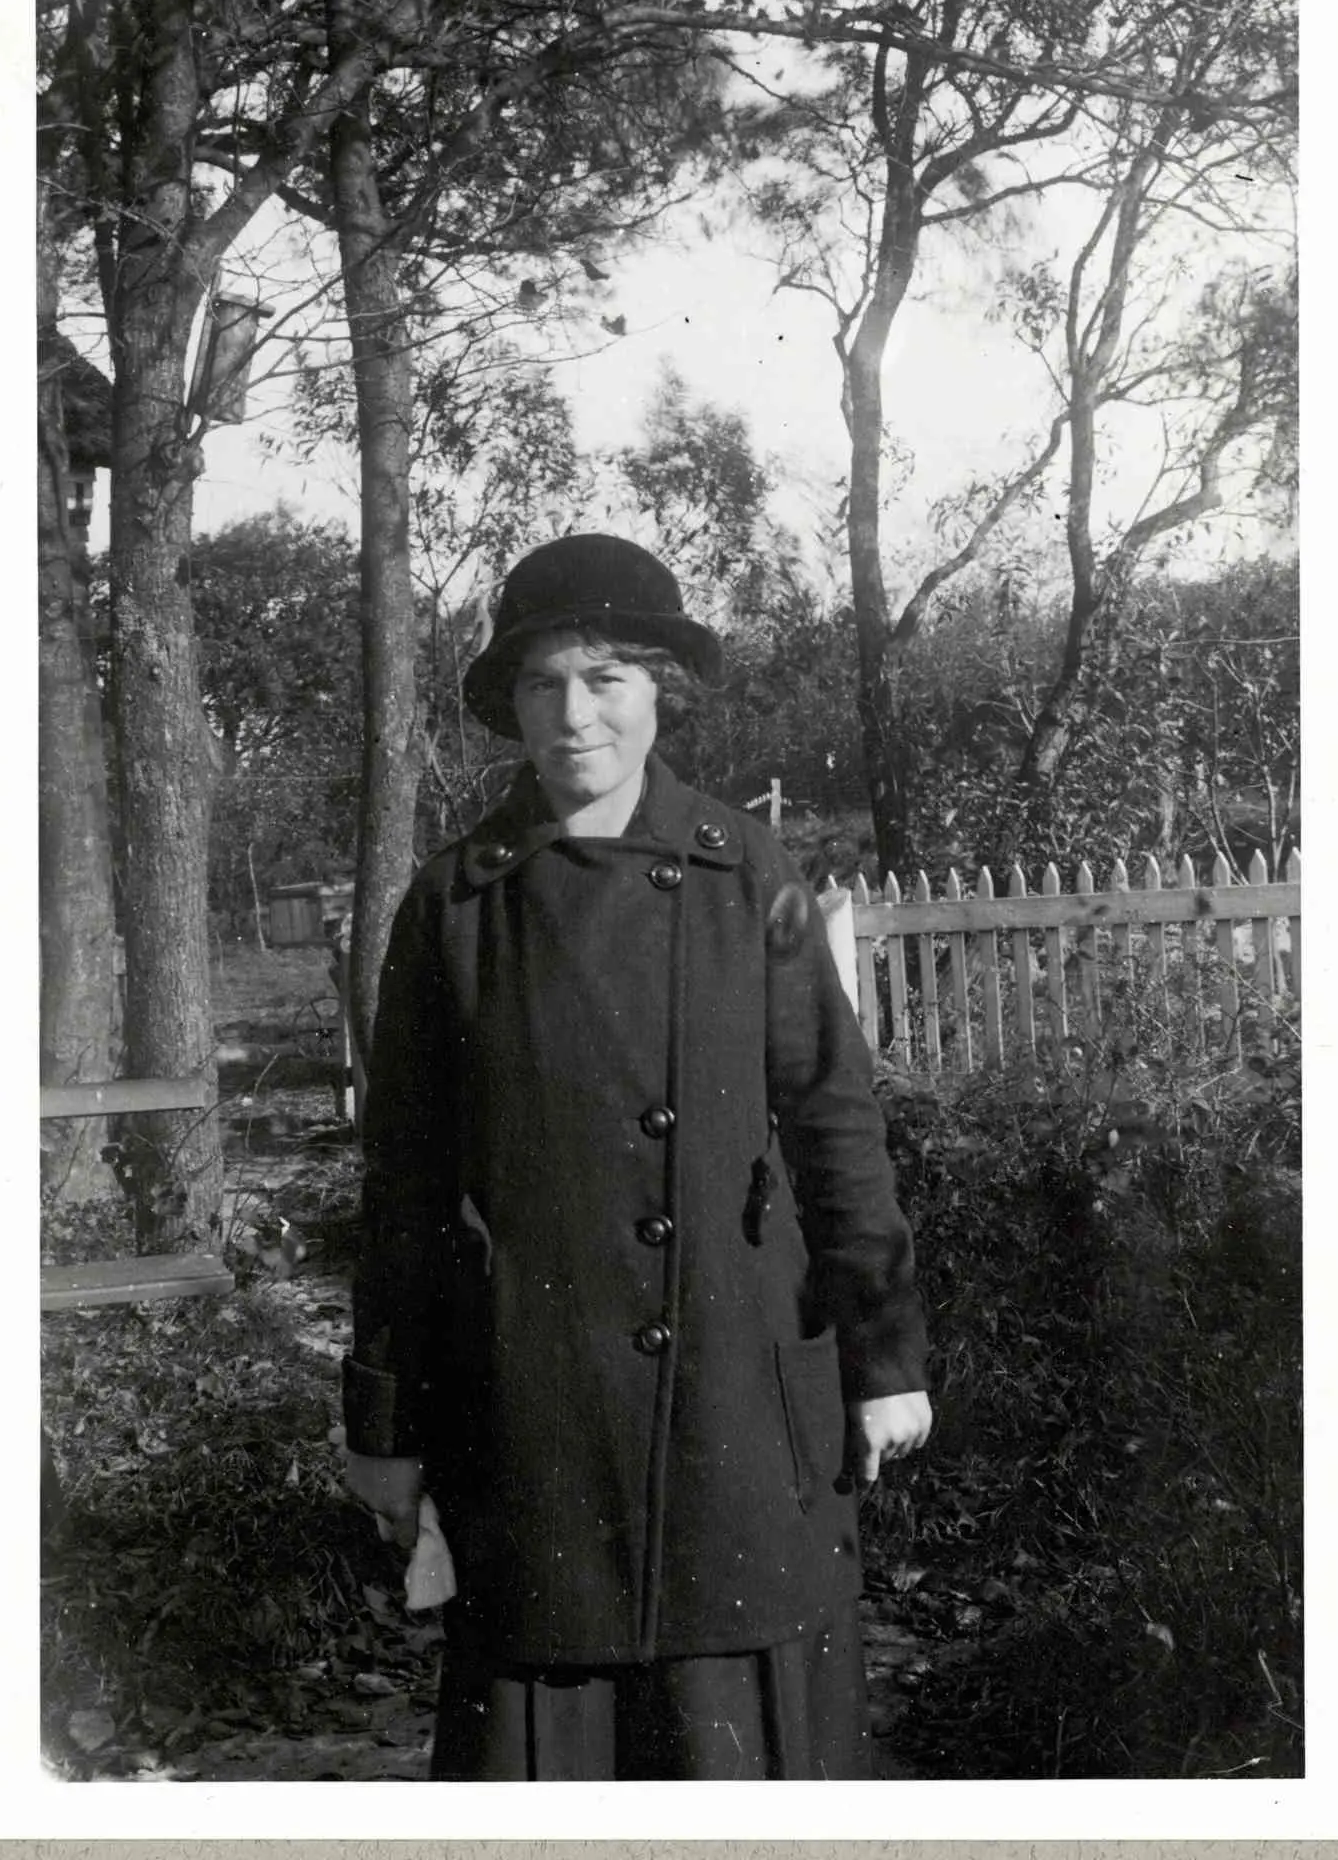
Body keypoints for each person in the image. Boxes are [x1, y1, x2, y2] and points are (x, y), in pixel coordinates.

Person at [342, 534, 931, 1780]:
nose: (574, 715)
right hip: (532, 1409)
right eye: (543, 682)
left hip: (735, 1391)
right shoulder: (453, 903)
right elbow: (402, 1186)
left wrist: (883, 1357)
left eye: (606, 678)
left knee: (742, 1750)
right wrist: (386, 1420)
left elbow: (834, 1121)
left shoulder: (748, 871)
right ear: (512, 704)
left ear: (661, 689)